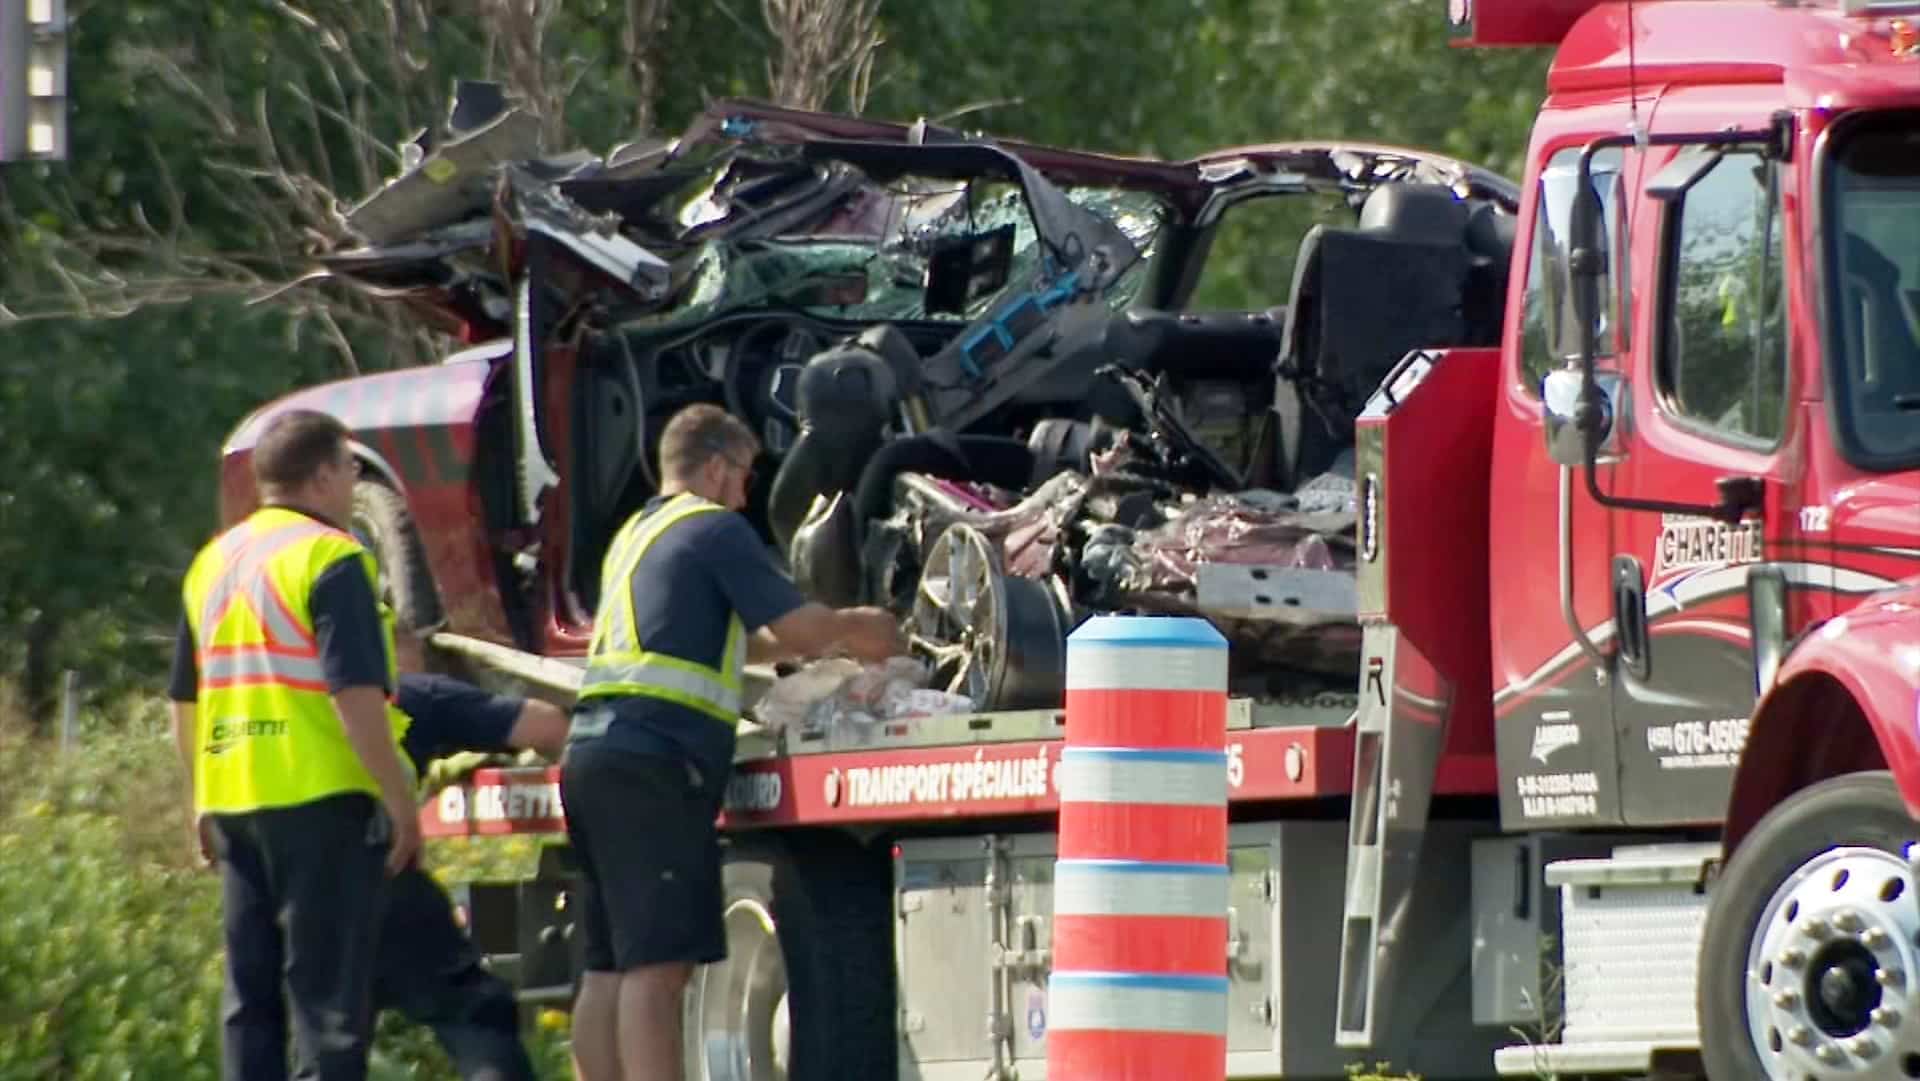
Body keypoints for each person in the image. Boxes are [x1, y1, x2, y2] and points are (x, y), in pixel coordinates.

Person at [560, 403, 906, 1081]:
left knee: (607, 967)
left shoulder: (638, 532)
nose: (748, 493)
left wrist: (820, 632)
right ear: (715, 468)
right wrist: (861, 627)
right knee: (659, 974)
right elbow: (801, 629)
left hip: (595, 755)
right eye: (745, 474)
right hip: (655, 762)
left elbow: (744, 635)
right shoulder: (713, 528)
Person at [167, 409, 422, 1081]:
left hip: (234, 800)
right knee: (328, 1011)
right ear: (321, 476)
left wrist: (198, 800)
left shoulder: (212, 561)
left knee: (249, 1004)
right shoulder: (331, 557)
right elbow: (354, 694)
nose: (352, 482)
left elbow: (184, 697)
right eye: (348, 468)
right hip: (320, 797)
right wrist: (398, 796)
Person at [373, 648, 569, 1081]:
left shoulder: (271, 711)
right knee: (473, 1012)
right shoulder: (410, 697)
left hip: (282, 892)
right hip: (379, 880)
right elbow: (551, 727)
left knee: (320, 1039)